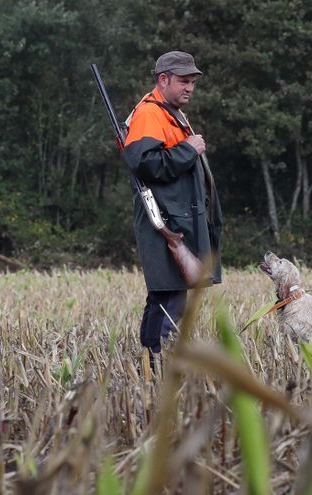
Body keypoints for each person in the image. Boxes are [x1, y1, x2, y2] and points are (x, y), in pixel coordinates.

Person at [121, 50, 223, 368]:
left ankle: (154, 362)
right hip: (165, 219)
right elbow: (146, 165)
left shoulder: (170, 112)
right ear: (163, 80)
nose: (189, 87)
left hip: (177, 217)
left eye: (192, 82)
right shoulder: (151, 114)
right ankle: (155, 364)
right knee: (168, 295)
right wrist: (187, 150)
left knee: (169, 294)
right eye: (183, 81)